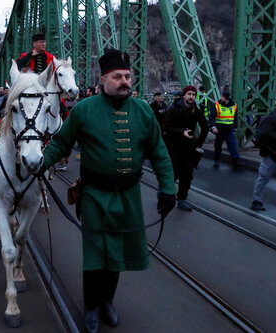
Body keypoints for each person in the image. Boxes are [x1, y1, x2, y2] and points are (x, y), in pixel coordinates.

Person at [38, 48, 176, 333]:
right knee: (95, 254)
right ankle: (91, 306)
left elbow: (159, 153)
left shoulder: (143, 111)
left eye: (128, 76)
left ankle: (107, 302)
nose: (125, 81)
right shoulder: (84, 110)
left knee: (118, 253)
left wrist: (167, 189)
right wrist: (41, 163)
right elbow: (61, 143)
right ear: (104, 80)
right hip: (94, 195)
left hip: (128, 195)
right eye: (118, 76)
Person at [163, 85, 209, 211]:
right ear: (184, 95)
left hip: (189, 147)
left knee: (187, 174)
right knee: (173, 173)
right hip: (175, 146)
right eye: (189, 94)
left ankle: (182, 199)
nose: (191, 97)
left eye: (193, 95)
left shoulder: (196, 110)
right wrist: (181, 131)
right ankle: (165, 194)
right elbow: (166, 127)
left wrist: (199, 143)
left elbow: (205, 126)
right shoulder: (174, 109)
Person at [209, 91, 242, 169]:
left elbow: (235, 117)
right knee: (218, 146)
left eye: (223, 97)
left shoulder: (234, 106)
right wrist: (213, 127)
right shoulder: (216, 105)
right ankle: (216, 160)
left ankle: (236, 160)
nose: (221, 98)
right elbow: (212, 117)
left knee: (232, 145)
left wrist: (235, 126)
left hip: (229, 129)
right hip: (219, 129)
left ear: (227, 98)